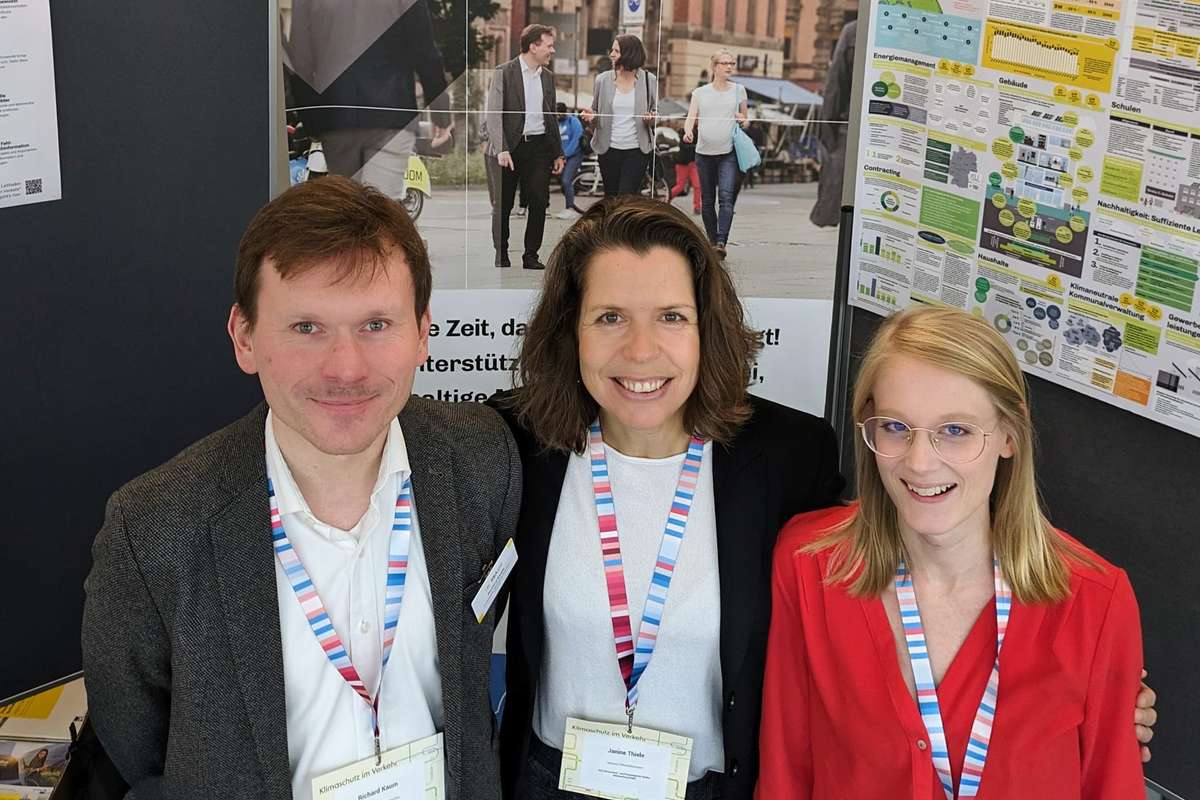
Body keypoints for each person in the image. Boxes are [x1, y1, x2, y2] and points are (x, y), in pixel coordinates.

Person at [82, 177, 521, 800]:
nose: (345, 368)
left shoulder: (482, 461)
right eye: (307, 327)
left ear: (423, 332)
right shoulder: (153, 528)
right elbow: (137, 743)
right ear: (245, 338)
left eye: (376, 324)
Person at [490, 196, 845, 800]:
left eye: (672, 317)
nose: (641, 350)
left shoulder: (793, 458)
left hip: (711, 785)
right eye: (609, 317)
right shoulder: (517, 444)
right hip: (551, 781)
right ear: (569, 328)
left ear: (709, 327)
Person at [758, 305, 1155, 798]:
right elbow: (784, 775)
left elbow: (1110, 784)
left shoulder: (1094, 603)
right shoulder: (808, 565)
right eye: (895, 427)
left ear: (1009, 435)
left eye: (957, 430)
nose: (921, 462)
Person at [284, 0, 450, 201]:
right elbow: (424, 50)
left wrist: (311, 120)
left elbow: (300, 58)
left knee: (350, 210)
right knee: (381, 210)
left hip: (336, 117)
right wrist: (440, 112)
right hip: (392, 113)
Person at [486, 24, 566, 269]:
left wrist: (558, 152)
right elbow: (494, 114)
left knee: (539, 200)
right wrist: (501, 148)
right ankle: (502, 252)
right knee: (504, 203)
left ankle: (531, 254)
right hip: (509, 147)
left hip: (539, 146)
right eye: (549, 45)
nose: (552, 50)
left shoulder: (548, 78)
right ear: (534, 47)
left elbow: (551, 117)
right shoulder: (503, 73)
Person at [683, 49, 748, 260]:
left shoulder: (739, 90)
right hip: (703, 152)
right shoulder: (700, 93)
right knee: (707, 200)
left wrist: (742, 120)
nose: (729, 67)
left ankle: (721, 241)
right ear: (714, 66)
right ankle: (712, 241)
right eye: (725, 63)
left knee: (726, 197)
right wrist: (687, 131)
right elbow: (691, 116)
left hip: (728, 152)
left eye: (732, 63)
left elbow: (746, 121)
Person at [580, 35, 659, 197]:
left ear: (629, 54)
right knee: (611, 198)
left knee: (626, 197)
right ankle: (612, 223)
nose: (612, 54)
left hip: (637, 150)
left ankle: (625, 223)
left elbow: (657, 113)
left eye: (616, 50)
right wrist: (591, 116)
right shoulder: (602, 80)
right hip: (608, 149)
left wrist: (651, 118)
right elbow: (596, 113)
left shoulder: (648, 80)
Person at [810, 20, 856, 227]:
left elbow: (835, 88)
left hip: (851, 131)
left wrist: (829, 135)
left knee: (848, 210)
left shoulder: (853, 32)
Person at [555, 102, 585, 220]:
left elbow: (575, 140)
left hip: (573, 155)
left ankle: (570, 208)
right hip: (560, 156)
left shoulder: (573, 122)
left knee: (567, 180)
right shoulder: (556, 122)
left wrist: (565, 155)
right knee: (563, 182)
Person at [669, 124, 702, 215]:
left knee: (697, 185)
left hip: (693, 163)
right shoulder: (682, 131)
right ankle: (666, 199)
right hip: (682, 163)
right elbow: (683, 145)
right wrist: (695, 146)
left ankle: (697, 207)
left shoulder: (699, 131)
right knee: (680, 186)